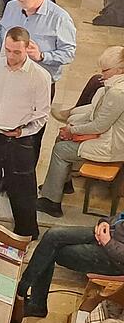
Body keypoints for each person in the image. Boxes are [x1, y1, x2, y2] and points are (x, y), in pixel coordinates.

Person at [0, 27, 51, 247]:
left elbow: (42, 115)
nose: (11, 56)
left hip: (19, 138)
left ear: (28, 48)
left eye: (16, 52)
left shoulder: (40, 77)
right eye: (8, 50)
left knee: (23, 188)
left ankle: (25, 233)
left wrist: (22, 132)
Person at [0, 0, 76, 164]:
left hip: (38, 84)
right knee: (6, 123)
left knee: (30, 132)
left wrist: (42, 55)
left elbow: (69, 53)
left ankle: (24, 172)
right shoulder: (12, 7)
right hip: (8, 77)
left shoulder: (59, 18)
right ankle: (5, 169)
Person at [36, 46, 124, 217]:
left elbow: (99, 125)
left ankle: (51, 203)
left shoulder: (118, 93)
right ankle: (62, 183)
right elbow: (97, 113)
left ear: (119, 70)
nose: (102, 74)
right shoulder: (116, 86)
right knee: (62, 138)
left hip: (112, 145)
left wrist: (72, 130)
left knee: (61, 150)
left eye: (105, 70)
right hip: (108, 136)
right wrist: (72, 124)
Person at [16, 212, 124, 319]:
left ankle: (31, 301)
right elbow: (120, 216)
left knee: (53, 252)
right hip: (108, 232)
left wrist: (108, 243)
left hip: (115, 259)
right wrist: (104, 222)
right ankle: (23, 290)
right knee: (52, 235)